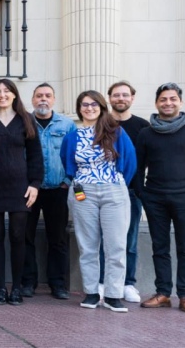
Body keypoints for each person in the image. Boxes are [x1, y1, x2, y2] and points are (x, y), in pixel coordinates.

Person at [136, 83, 185, 314]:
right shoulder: (146, 133)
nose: (168, 103)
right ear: (156, 103)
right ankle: (163, 293)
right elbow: (138, 168)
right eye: (163, 99)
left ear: (180, 102)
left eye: (172, 99)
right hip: (155, 198)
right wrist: (143, 194)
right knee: (160, 247)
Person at [60, 90, 136, 312]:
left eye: (94, 104)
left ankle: (113, 295)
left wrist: (115, 182)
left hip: (113, 191)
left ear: (102, 107)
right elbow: (67, 163)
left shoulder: (116, 132)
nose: (89, 108)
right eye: (84, 104)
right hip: (83, 191)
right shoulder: (72, 136)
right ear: (79, 108)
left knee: (116, 245)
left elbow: (130, 163)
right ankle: (92, 292)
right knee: (88, 245)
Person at [0, 78, 44, 306]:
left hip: (20, 187)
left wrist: (35, 184)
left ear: (14, 94)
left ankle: (16, 288)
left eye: (6, 91)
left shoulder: (26, 120)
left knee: (18, 237)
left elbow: (36, 156)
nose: (2, 95)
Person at [21, 83, 75, 300]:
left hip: (57, 189)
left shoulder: (68, 124)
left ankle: (58, 284)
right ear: (32, 99)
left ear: (54, 99)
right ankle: (28, 282)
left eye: (48, 96)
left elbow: (74, 155)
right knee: (26, 237)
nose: (43, 99)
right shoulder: (23, 122)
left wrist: (67, 180)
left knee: (58, 239)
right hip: (29, 190)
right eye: (39, 96)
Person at [104, 80, 151, 304]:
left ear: (132, 98)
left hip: (133, 191)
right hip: (103, 191)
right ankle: (105, 282)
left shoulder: (143, 127)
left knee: (129, 240)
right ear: (109, 98)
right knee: (105, 239)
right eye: (116, 95)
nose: (120, 98)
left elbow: (151, 160)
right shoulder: (102, 124)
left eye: (124, 95)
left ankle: (128, 283)